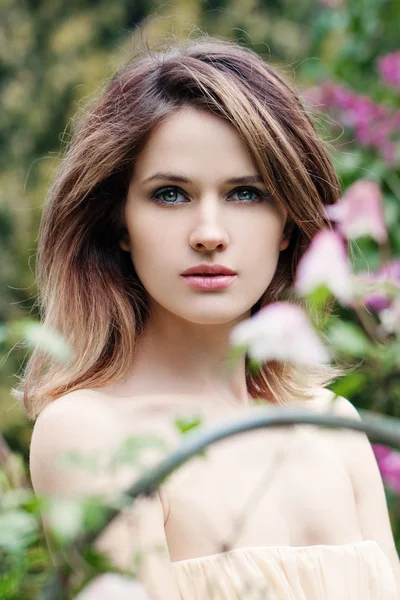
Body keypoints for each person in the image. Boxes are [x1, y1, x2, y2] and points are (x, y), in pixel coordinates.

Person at [17, 36, 400, 599]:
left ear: (289, 221)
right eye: (171, 195)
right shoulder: (91, 432)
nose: (210, 234)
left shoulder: (334, 428)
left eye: (246, 194)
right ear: (120, 223)